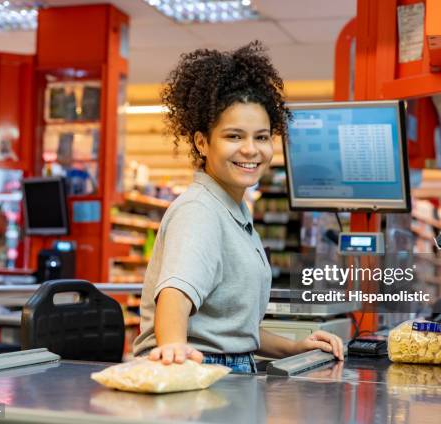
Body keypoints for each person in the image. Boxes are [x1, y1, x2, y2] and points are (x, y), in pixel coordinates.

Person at [133, 41, 344, 373]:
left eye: (261, 137)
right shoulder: (199, 212)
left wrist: (293, 347)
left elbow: (230, 330)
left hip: (227, 368)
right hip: (200, 370)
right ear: (202, 142)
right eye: (234, 136)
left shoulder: (235, 213)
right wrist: (173, 355)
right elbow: (174, 297)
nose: (251, 150)